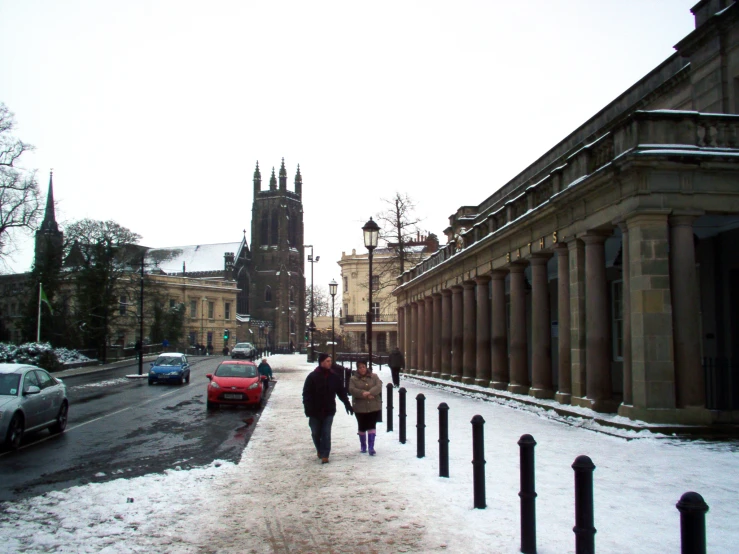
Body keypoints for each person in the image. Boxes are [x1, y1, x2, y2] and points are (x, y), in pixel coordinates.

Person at [303, 353, 353, 464]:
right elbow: (306, 394)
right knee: (315, 432)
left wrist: (347, 404)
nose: (329, 363)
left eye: (330, 361)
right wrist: (308, 409)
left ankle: (325, 454)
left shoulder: (334, 377)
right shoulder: (312, 377)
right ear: (321, 362)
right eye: (327, 361)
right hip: (314, 410)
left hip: (329, 409)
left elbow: (341, 392)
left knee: (326, 432)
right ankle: (319, 449)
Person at [348, 360, 382, 456]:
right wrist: (363, 393)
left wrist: (370, 392)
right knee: (362, 426)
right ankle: (363, 445)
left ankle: (371, 447)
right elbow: (352, 389)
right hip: (360, 407)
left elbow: (378, 386)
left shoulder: (374, 376)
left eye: (363, 366)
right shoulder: (353, 379)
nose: (362, 369)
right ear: (357, 369)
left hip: (373, 405)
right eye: (360, 367)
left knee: (371, 425)